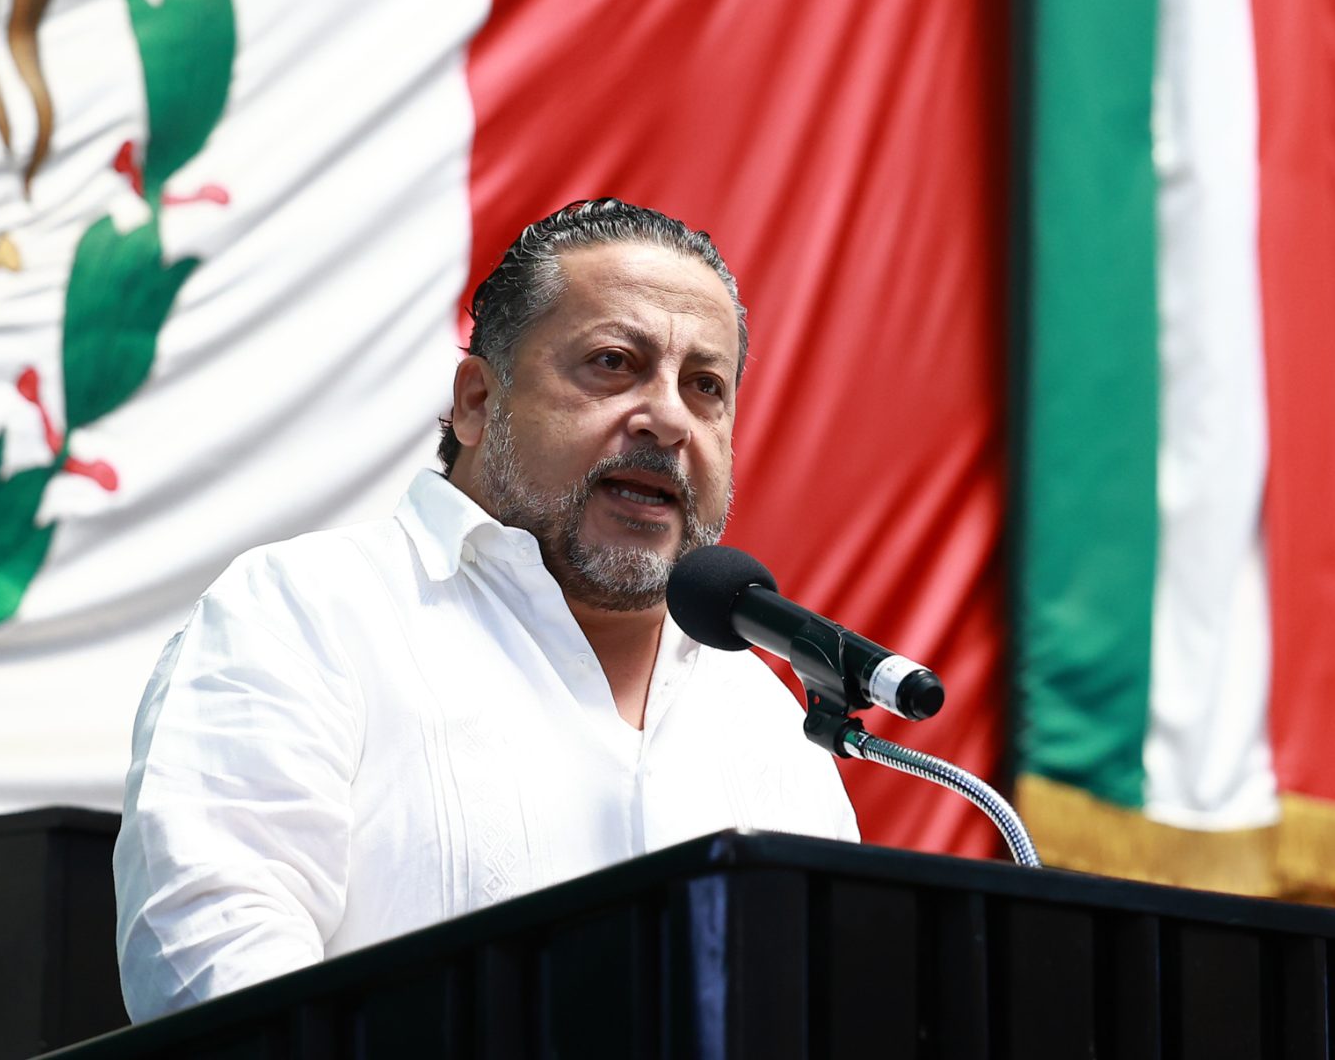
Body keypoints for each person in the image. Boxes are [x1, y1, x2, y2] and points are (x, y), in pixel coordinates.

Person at [113, 199, 858, 1021]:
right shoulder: (306, 613)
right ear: (476, 401)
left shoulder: (766, 720)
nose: (669, 418)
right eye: (614, 363)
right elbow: (214, 969)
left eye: (705, 387)